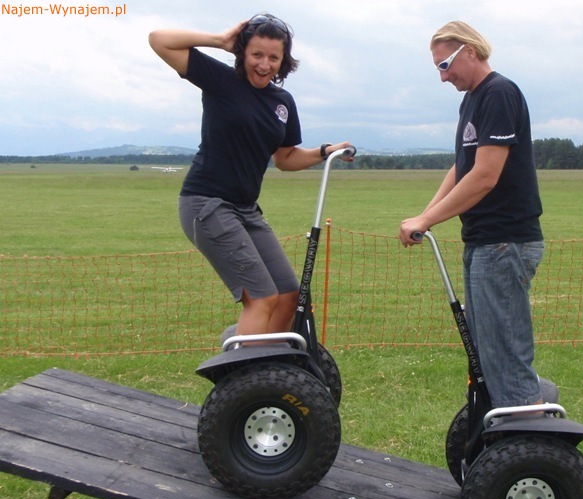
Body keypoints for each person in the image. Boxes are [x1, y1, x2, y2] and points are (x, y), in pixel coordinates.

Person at [148, 15, 352, 337]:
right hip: (207, 204)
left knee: (288, 296)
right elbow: (159, 39)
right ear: (243, 53)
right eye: (257, 54)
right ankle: (248, 377)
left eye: (274, 57)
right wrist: (219, 40)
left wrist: (325, 151)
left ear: (283, 61)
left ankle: (260, 365)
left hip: (245, 210)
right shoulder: (221, 80)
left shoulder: (282, 102)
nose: (265, 64)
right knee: (261, 298)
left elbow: (284, 158)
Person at [399, 21, 544, 410]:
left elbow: (484, 176)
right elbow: (463, 166)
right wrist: (425, 213)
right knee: (486, 352)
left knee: (504, 354)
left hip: (504, 242)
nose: (443, 77)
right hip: (483, 242)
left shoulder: (499, 93)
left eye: (445, 65)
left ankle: (525, 438)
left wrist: (427, 222)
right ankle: (501, 434)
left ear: (470, 51)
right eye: (437, 69)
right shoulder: (473, 99)